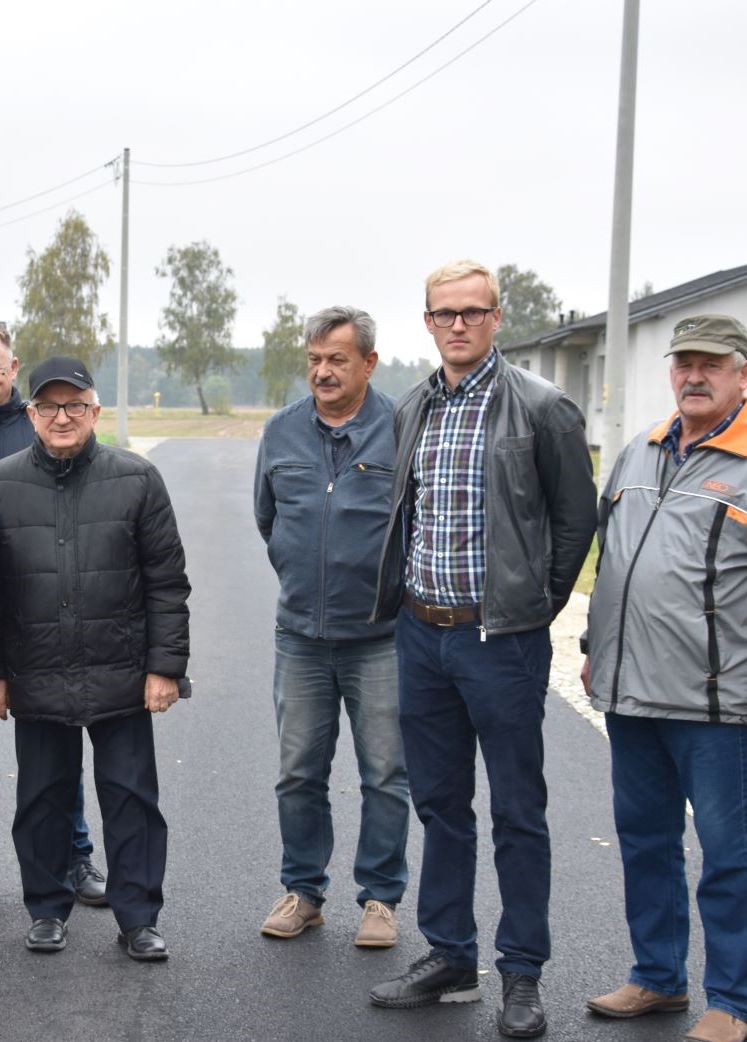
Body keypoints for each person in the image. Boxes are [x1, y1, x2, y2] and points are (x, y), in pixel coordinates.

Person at [580, 316, 747, 1042]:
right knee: (644, 842)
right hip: (630, 693)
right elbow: (615, 567)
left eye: (711, 364)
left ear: (743, 374)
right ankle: (656, 979)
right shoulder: (638, 451)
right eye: (683, 363)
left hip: (714, 704)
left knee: (727, 857)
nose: (693, 376)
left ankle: (731, 1003)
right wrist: (593, 642)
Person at [368, 260, 597, 1038]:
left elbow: (574, 522)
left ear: (497, 317)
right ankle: (449, 956)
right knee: (437, 804)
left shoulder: (541, 407)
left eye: (471, 312)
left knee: (517, 810)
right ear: (427, 322)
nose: (457, 325)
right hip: (420, 633)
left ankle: (521, 972)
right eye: (443, 314)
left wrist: (535, 606)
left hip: (500, 642)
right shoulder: (413, 407)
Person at [0, 356, 190, 962]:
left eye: (74, 405)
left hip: (121, 672)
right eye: (48, 406)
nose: (61, 417)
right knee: (41, 798)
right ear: (31, 414)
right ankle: (46, 908)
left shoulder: (137, 478)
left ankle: (138, 918)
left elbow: (167, 581)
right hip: (34, 672)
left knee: (131, 799)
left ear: (94, 411)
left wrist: (164, 667)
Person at [252, 305, 409, 948]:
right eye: (314, 360)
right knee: (298, 773)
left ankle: (379, 899)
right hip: (301, 638)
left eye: (337, 360)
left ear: (368, 363)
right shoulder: (282, 431)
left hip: (381, 639)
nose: (323, 371)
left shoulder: (402, 429)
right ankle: (303, 891)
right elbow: (270, 521)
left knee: (385, 774)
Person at [0, 320, 105, 915]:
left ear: (13, 370)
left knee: (62, 742)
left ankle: (74, 856)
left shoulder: (41, 423)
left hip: (44, 616)